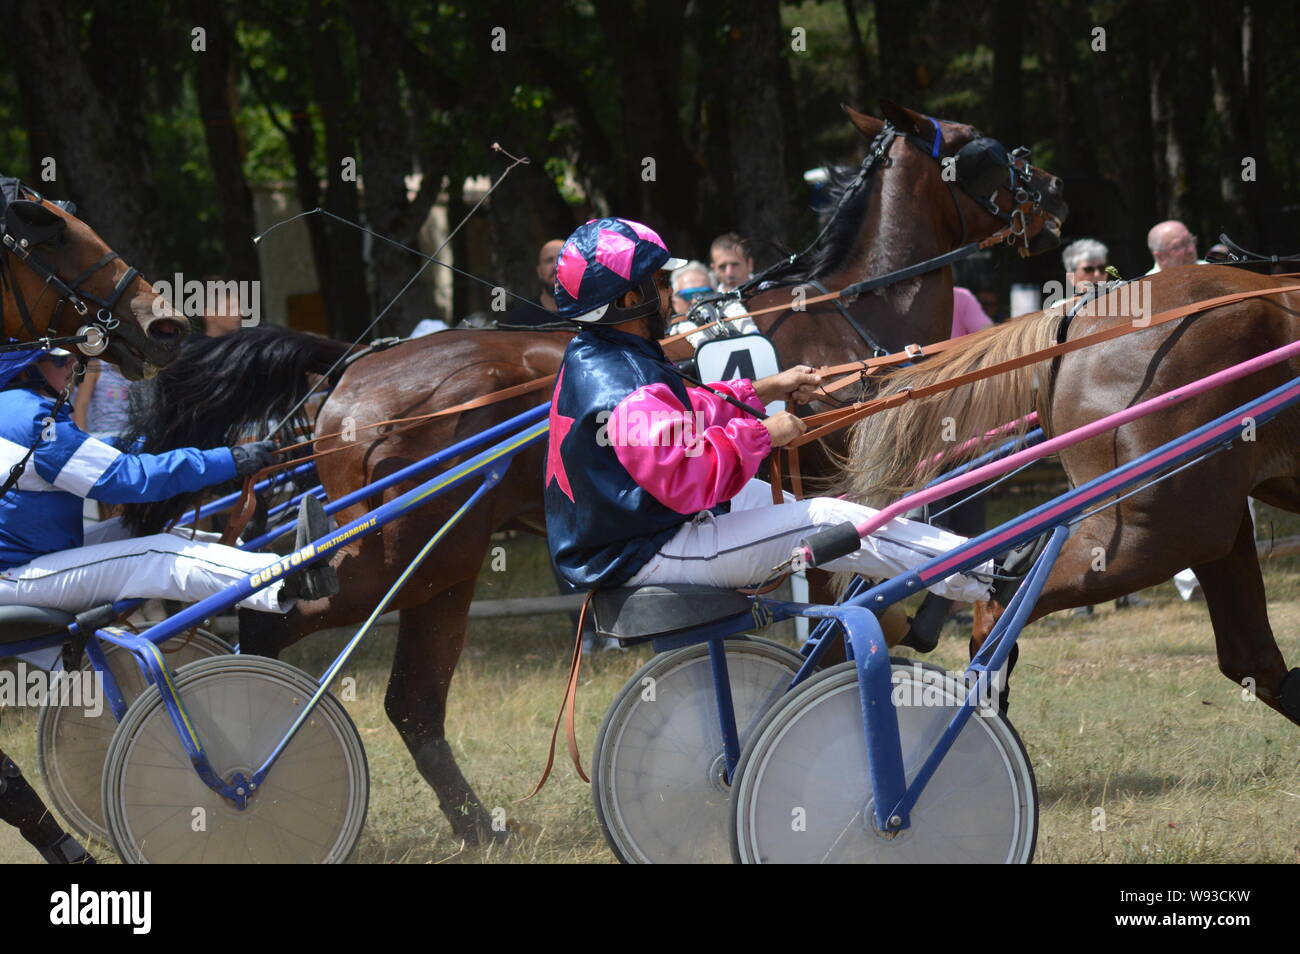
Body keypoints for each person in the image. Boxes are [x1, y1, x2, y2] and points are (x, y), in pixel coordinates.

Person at [543, 217, 1041, 618]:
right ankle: (989, 574)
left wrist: (762, 390)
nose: (671, 293)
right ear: (631, 300)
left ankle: (929, 589)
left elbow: (681, 414)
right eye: (659, 282)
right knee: (824, 519)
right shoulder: (624, 381)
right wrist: (763, 434)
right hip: (642, 550)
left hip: (637, 529)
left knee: (819, 513)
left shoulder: (598, 351)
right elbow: (688, 477)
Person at [0, 348, 337, 615]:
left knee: (137, 532)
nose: (73, 365)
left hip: (28, 560)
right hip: (18, 574)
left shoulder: (14, 410)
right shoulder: (31, 418)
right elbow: (127, 478)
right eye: (60, 359)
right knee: (155, 553)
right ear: (26, 367)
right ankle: (284, 576)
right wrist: (227, 461)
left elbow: (103, 452)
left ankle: (238, 556)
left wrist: (210, 453)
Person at [501, 239, 565, 327]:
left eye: (562, 259)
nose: (556, 266)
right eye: (549, 260)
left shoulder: (589, 314)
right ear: (539, 272)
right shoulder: (519, 319)